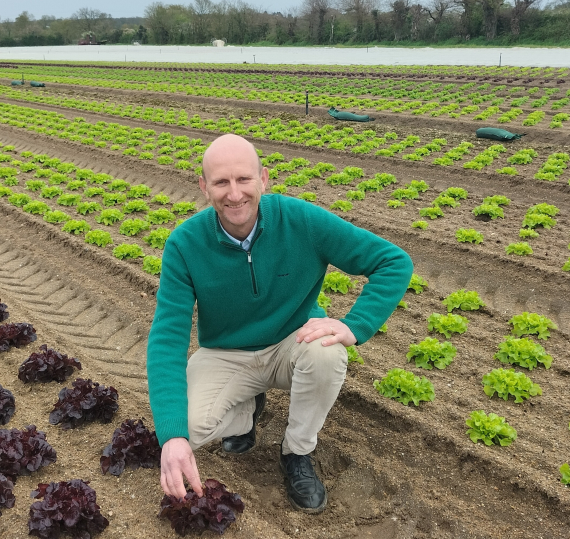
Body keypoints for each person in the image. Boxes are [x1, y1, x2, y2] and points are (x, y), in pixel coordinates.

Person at [146, 133, 413, 513]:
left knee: (327, 354)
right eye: (221, 182)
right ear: (204, 187)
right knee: (185, 428)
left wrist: (356, 324)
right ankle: (244, 415)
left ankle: (297, 452)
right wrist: (172, 436)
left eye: (244, 179)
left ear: (263, 179)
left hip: (293, 343)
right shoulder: (184, 244)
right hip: (227, 354)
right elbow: (167, 338)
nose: (234, 193)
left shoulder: (302, 220)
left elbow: (393, 262)